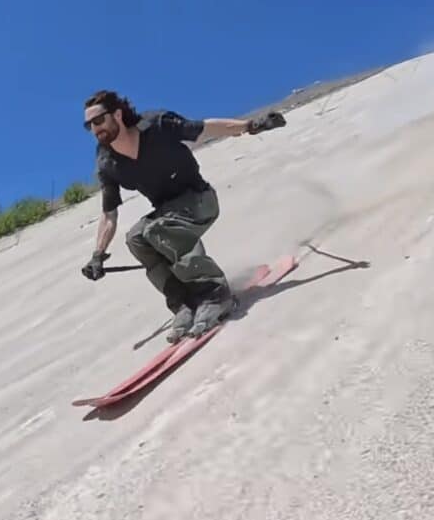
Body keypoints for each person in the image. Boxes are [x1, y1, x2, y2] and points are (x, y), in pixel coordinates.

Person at [79, 89, 287, 341]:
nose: (94, 128)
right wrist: (97, 256)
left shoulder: (157, 125)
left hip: (200, 201)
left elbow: (205, 129)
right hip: (168, 213)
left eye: (98, 120)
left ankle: (215, 294)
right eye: (88, 125)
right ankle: (183, 303)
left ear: (118, 115)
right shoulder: (107, 162)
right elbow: (109, 213)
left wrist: (250, 125)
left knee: (157, 229)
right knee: (137, 238)